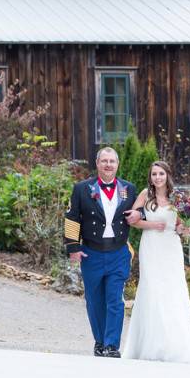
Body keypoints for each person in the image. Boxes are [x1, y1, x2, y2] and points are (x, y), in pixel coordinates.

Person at [121, 161, 190, 364]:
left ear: (167, 175)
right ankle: (148, 345)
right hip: (151, 245)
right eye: (154, 174)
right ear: (151, 177)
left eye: (161, 174)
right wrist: (152, 224)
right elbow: (131, 219)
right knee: (152, 289)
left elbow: (180, 227)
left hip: (171, 248)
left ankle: (174, 346)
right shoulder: (145, 195)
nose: (157, 177)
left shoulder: (178, 199)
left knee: (173, 291)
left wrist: (186, 229)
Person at [64, 146, 142, 358]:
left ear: (117, 165)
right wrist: (73, 247)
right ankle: (99, 341)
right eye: (104, 161)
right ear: (97, 164)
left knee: (115, 299)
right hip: (91, 253)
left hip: (118, 253)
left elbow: (141, 209)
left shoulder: (129, 188)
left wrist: (139, 213)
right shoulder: (82, 188)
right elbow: (72, 218)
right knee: (94, 300)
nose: (108, 165)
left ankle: (111, 345)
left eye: (112, 161)